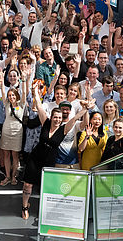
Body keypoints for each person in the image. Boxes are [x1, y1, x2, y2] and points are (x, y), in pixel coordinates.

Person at [22, 83, 87, 220]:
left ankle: (45, 210)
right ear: (51, 117)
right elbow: (39, 106)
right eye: (55, 117)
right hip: (36, 158)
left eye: (59, 117)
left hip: (49, 161)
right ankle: (25, 206)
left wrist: (85, 109)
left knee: (47, 187)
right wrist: (35, 92)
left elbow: (75, 119)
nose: (57, 120)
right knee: (28, 185)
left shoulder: (64, 128)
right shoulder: (45, 122)